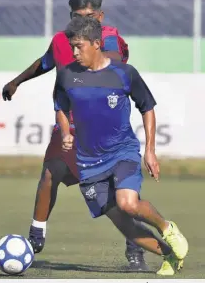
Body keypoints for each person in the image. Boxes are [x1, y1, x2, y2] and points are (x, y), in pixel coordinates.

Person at [2, 0, 148, 272]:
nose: (85, 21)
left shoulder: (107, 39)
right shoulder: (61, 40)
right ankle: (35, 238)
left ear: (101, 15)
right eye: (78, 16)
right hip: (70, 120)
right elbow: (45, 62)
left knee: (120, 191)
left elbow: (114, 64)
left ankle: (136, 248)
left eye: (91, 16)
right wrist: (17, 81)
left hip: (104, 125)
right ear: (70, 15)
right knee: (50, 171)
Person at [53, 15, 189, 276]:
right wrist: (65, 133)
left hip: (121, 151)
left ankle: (167, 228)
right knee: (126, 226)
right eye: (71, 46)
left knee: (128, 203)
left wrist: (150, 150)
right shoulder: (67, 75)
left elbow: (147, 108)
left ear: (96, 44)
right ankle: (170, 256)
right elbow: (61, 107)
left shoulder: (124, 73)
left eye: (78, 46)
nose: (73, 52)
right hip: (88, 162)